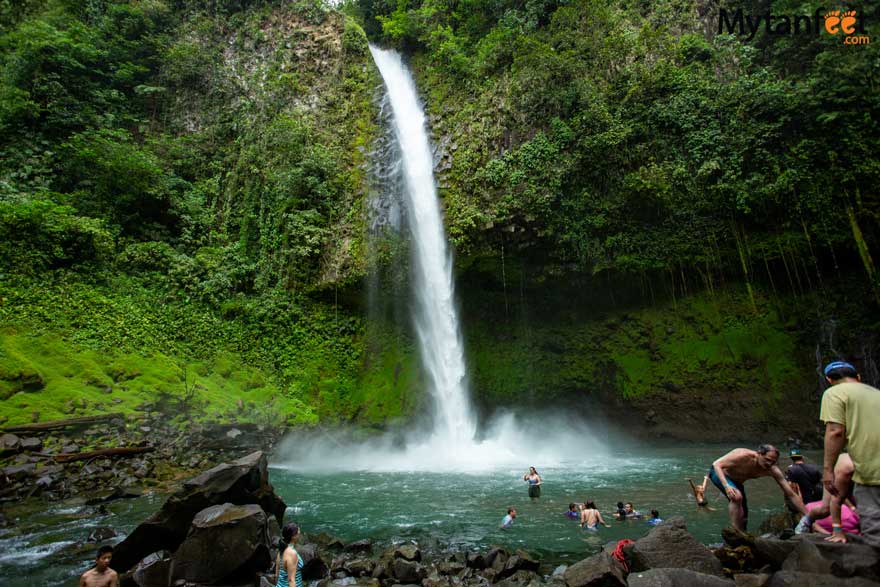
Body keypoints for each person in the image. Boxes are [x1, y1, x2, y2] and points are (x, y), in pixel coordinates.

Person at [820, 360, 880, 545]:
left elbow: (835, 431)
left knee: (875, 529)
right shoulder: (876, 393)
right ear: (858, 378)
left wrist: (828, 469)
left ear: (829, 380)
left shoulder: (834, 393)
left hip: (872, 469)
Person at [710, 444, 807, 530]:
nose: (769, 464)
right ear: (759, 454)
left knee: (744, 518)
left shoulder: (772, 470)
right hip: (718, 474)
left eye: (773, 462)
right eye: (767, 460)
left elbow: (791, 494)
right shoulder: (742, 455)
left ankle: (742, 536)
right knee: (737, 497)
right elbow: (716, 464)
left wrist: (808, 516)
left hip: (737, 483)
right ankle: (735, 532)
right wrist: (726, 486)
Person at [793, 453, 855, 541]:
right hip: (834, 481)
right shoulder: (845, 467)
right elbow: (837, 498)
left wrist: (852, 508)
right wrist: (837, 531)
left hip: (849, 483)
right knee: (825, 509)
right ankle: (806, 521)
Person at [276, 521, 304, 587]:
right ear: (293, 536)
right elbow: (291, 581)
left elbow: (277, 575)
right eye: (299, 533)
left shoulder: (281, 550)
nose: (300, 535)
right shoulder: (292, 554)